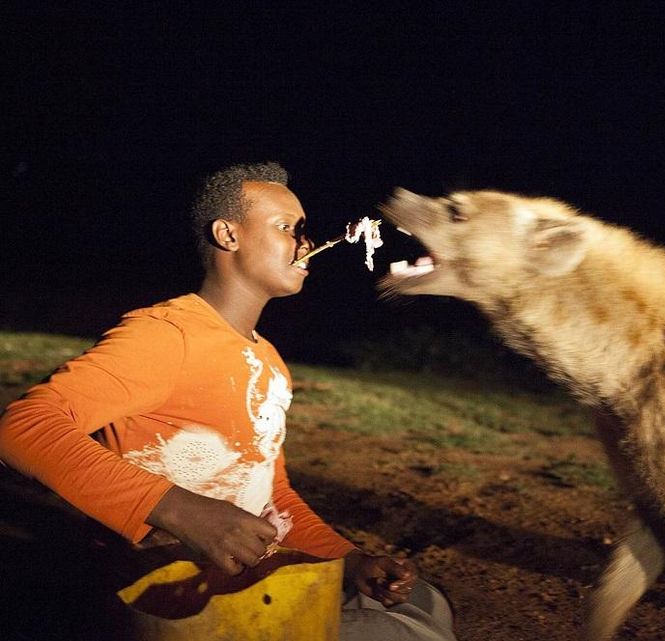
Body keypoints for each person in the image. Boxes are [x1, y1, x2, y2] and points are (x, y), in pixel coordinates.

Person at [0, 161, 456, 641]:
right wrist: (178, 510)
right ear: (228, 235)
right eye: (286, 228)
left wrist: (348, 560)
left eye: (304, 231)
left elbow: (269, 498)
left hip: (251, 584)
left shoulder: (270, 363)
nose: (304, 243)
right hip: (170, 597)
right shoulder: (168, 335)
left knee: (425, 600)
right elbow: (22, 429)